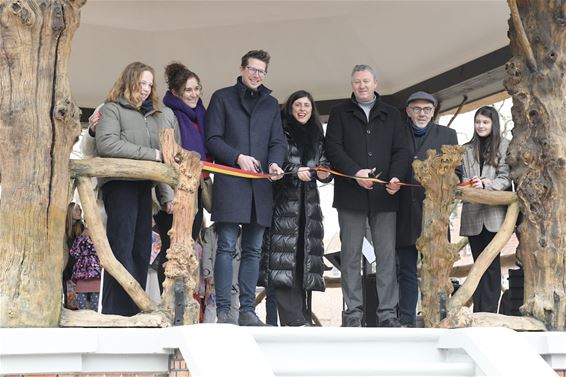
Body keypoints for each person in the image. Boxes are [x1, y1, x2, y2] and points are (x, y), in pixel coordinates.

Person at [205, 49, 287, 326]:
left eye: (261, 71)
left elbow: (278, 142)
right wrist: (237, 157)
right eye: (252, 69)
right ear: (241, 69)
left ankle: (248, 311)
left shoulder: (271, 104)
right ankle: (225, 310)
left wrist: (275, 164)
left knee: (253, 250)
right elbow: (212, 139)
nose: (256, 75)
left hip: (261, 186)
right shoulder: (222, 97)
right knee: (226, 247)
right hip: (231, 182)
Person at [325, 64, 410, 327]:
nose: (362, 86)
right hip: (350, 194)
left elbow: (402, 150)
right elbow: (333, 148)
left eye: (366, 81)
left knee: (386, 256)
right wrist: (354, 173)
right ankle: (353, 313)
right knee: (350, 255)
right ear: (352, 85)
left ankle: (387, 314)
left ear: (375, 83)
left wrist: (396, 177)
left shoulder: (392, 114)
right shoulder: (340, 113)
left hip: (385, 195)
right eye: (357, 82)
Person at [96, 61, 173, 316]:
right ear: (129, 81)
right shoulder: (111, 109)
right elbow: (107, 144)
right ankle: (117, 310)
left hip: (144, 188)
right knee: (121, 246)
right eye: (142, 83)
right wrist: (150, 153)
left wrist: (166, 195)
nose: (146, 90)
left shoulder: (154, 118)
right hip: (119, 186)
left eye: (150, 85)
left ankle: (136, 307)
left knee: (141, 248)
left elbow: (164, 160)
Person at [262, 90, 332, 326]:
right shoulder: (281, 131)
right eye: (298, 105)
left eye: (307, 106)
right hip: (284, 204)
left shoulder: (316, 134)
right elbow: (274, 162)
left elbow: (324, 163)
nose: (302, 109)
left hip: (309, 207)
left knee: (303, 261)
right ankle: (293, 319)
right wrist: (294, 170)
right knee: (283, 262)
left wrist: (324, 173)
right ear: (290, 108)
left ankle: (302, 316)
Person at [395, 91, 459, 327]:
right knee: (407, 269)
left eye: (427, 109)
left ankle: (437, 317)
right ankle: (408, 320)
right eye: (417, 109)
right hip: (403, 210)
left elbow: (457, 173)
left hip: (435, 214)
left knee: (437, 268)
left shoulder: (448, 135)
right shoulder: (397, 133)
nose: (422, 113)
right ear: (408, 112)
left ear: (433, 112)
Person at [155, 62, 210, 292]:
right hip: (174, 189)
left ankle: (184, 299)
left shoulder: (201, 115)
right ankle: (167, 298)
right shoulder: (167, 114)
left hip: (196, 188)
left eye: (197, 88)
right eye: (188, 90)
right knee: (171, 248)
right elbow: (166, 154)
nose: (194, 94)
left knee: (188, 246)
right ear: (176, 92)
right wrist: (167, 195)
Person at [460, 106, 511, 313]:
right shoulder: (466, 148)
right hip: (472, 215)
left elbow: (506, 177)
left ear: (493, 124)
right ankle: (477, 312)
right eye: (478, 122)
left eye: (485, 122)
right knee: (477, 264)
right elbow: (461, 178)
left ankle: (489, 312)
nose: (480, 126)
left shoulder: (505, 146)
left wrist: (487, 185)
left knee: (491, 266)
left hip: (494, 215)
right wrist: (471, 184)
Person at [69, 204, 102, 311]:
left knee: (95, 302)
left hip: (95, 272)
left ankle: (94, 321)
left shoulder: (100, 235)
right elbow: (74, 252)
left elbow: (100, 251)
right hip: (82, 273)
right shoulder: (80, 236)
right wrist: (82, 238)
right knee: (81, 302)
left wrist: (91, 238)